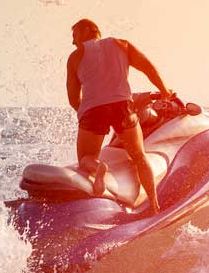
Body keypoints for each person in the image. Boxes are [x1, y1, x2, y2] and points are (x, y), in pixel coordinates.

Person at [66, 18, 171, 213]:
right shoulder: (121, 44)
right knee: (139, 156)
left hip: (93, 110)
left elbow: (73, 99)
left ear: (87, 30)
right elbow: (148, 67)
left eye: (74, 35)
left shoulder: (75, 57)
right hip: (123, 107)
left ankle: (98, 169)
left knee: (86, 158)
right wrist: (164, 91)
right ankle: (155, 206)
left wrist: (87, 115)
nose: (73, 42)